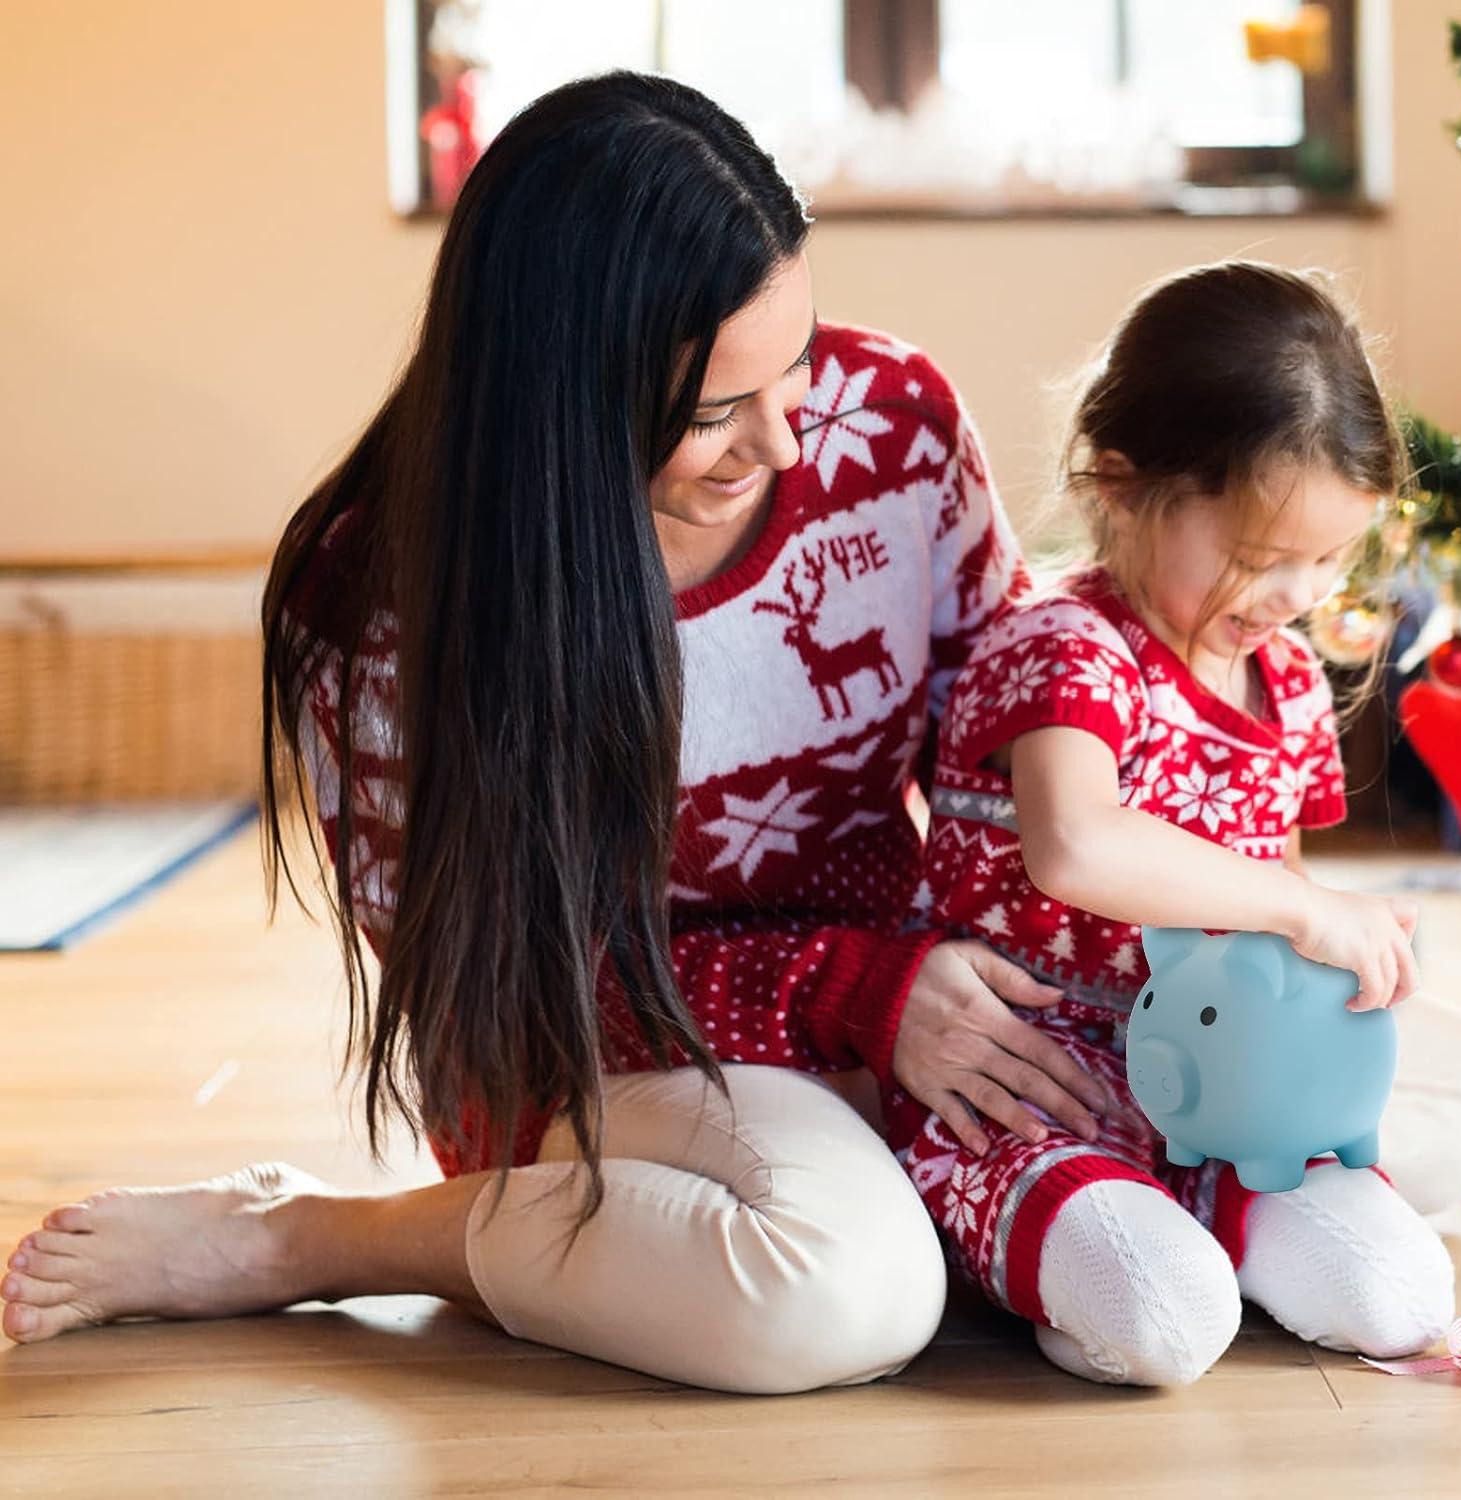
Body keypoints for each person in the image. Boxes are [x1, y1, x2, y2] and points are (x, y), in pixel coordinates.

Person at [0, 73, 1114, 1390]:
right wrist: (848, 991)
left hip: (893, 1019)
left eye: (796, 368)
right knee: (834, 1295)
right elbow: (503, 1004)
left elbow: (1007, 761)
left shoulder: (893, 429)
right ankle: (309, 1241)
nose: (787, 442)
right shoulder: (380, 610)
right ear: (560, 397)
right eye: (711, 413)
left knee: (1375, 1126)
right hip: (598, 1073)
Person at [892, 261, 1459, 1387]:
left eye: (1328, 557)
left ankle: (1185, 1231)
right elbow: (1077, 845)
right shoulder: (1064, 646)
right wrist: (1304, 906)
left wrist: (1333, 999)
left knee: (1398, 1297)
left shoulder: (1288, 681)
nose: (1296, 593)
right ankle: (1041, 1240)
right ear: (1121, 484)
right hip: (1025, 1090)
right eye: (1260, 558)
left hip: (1218, 1102)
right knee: (1165, 1320)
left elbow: (1272, 927)